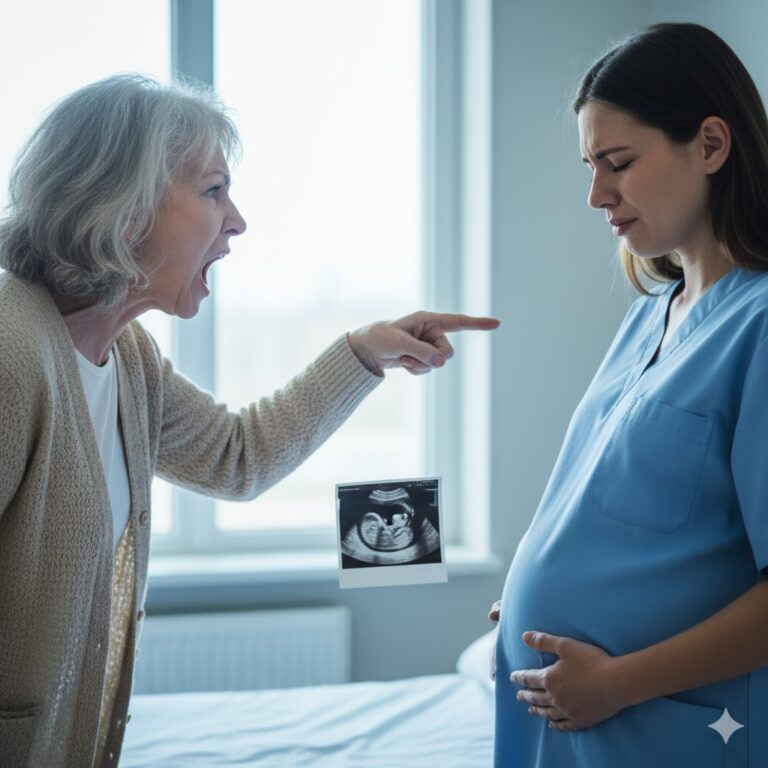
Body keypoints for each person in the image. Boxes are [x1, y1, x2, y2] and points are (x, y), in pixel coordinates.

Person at [0, 74, 499, 768]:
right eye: (213, 191)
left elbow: (238, 458)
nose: (236, 221)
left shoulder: (128, 359)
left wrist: (363, 353)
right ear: (126, 206)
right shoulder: (12, 351)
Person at [492, 23, 768, 768]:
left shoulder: (760, 326)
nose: (596, 195)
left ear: (710, 145)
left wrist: (617, 682)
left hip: (661, 725)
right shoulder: (651, 314)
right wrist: (531, 601)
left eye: (617, 163)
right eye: (590, 167)